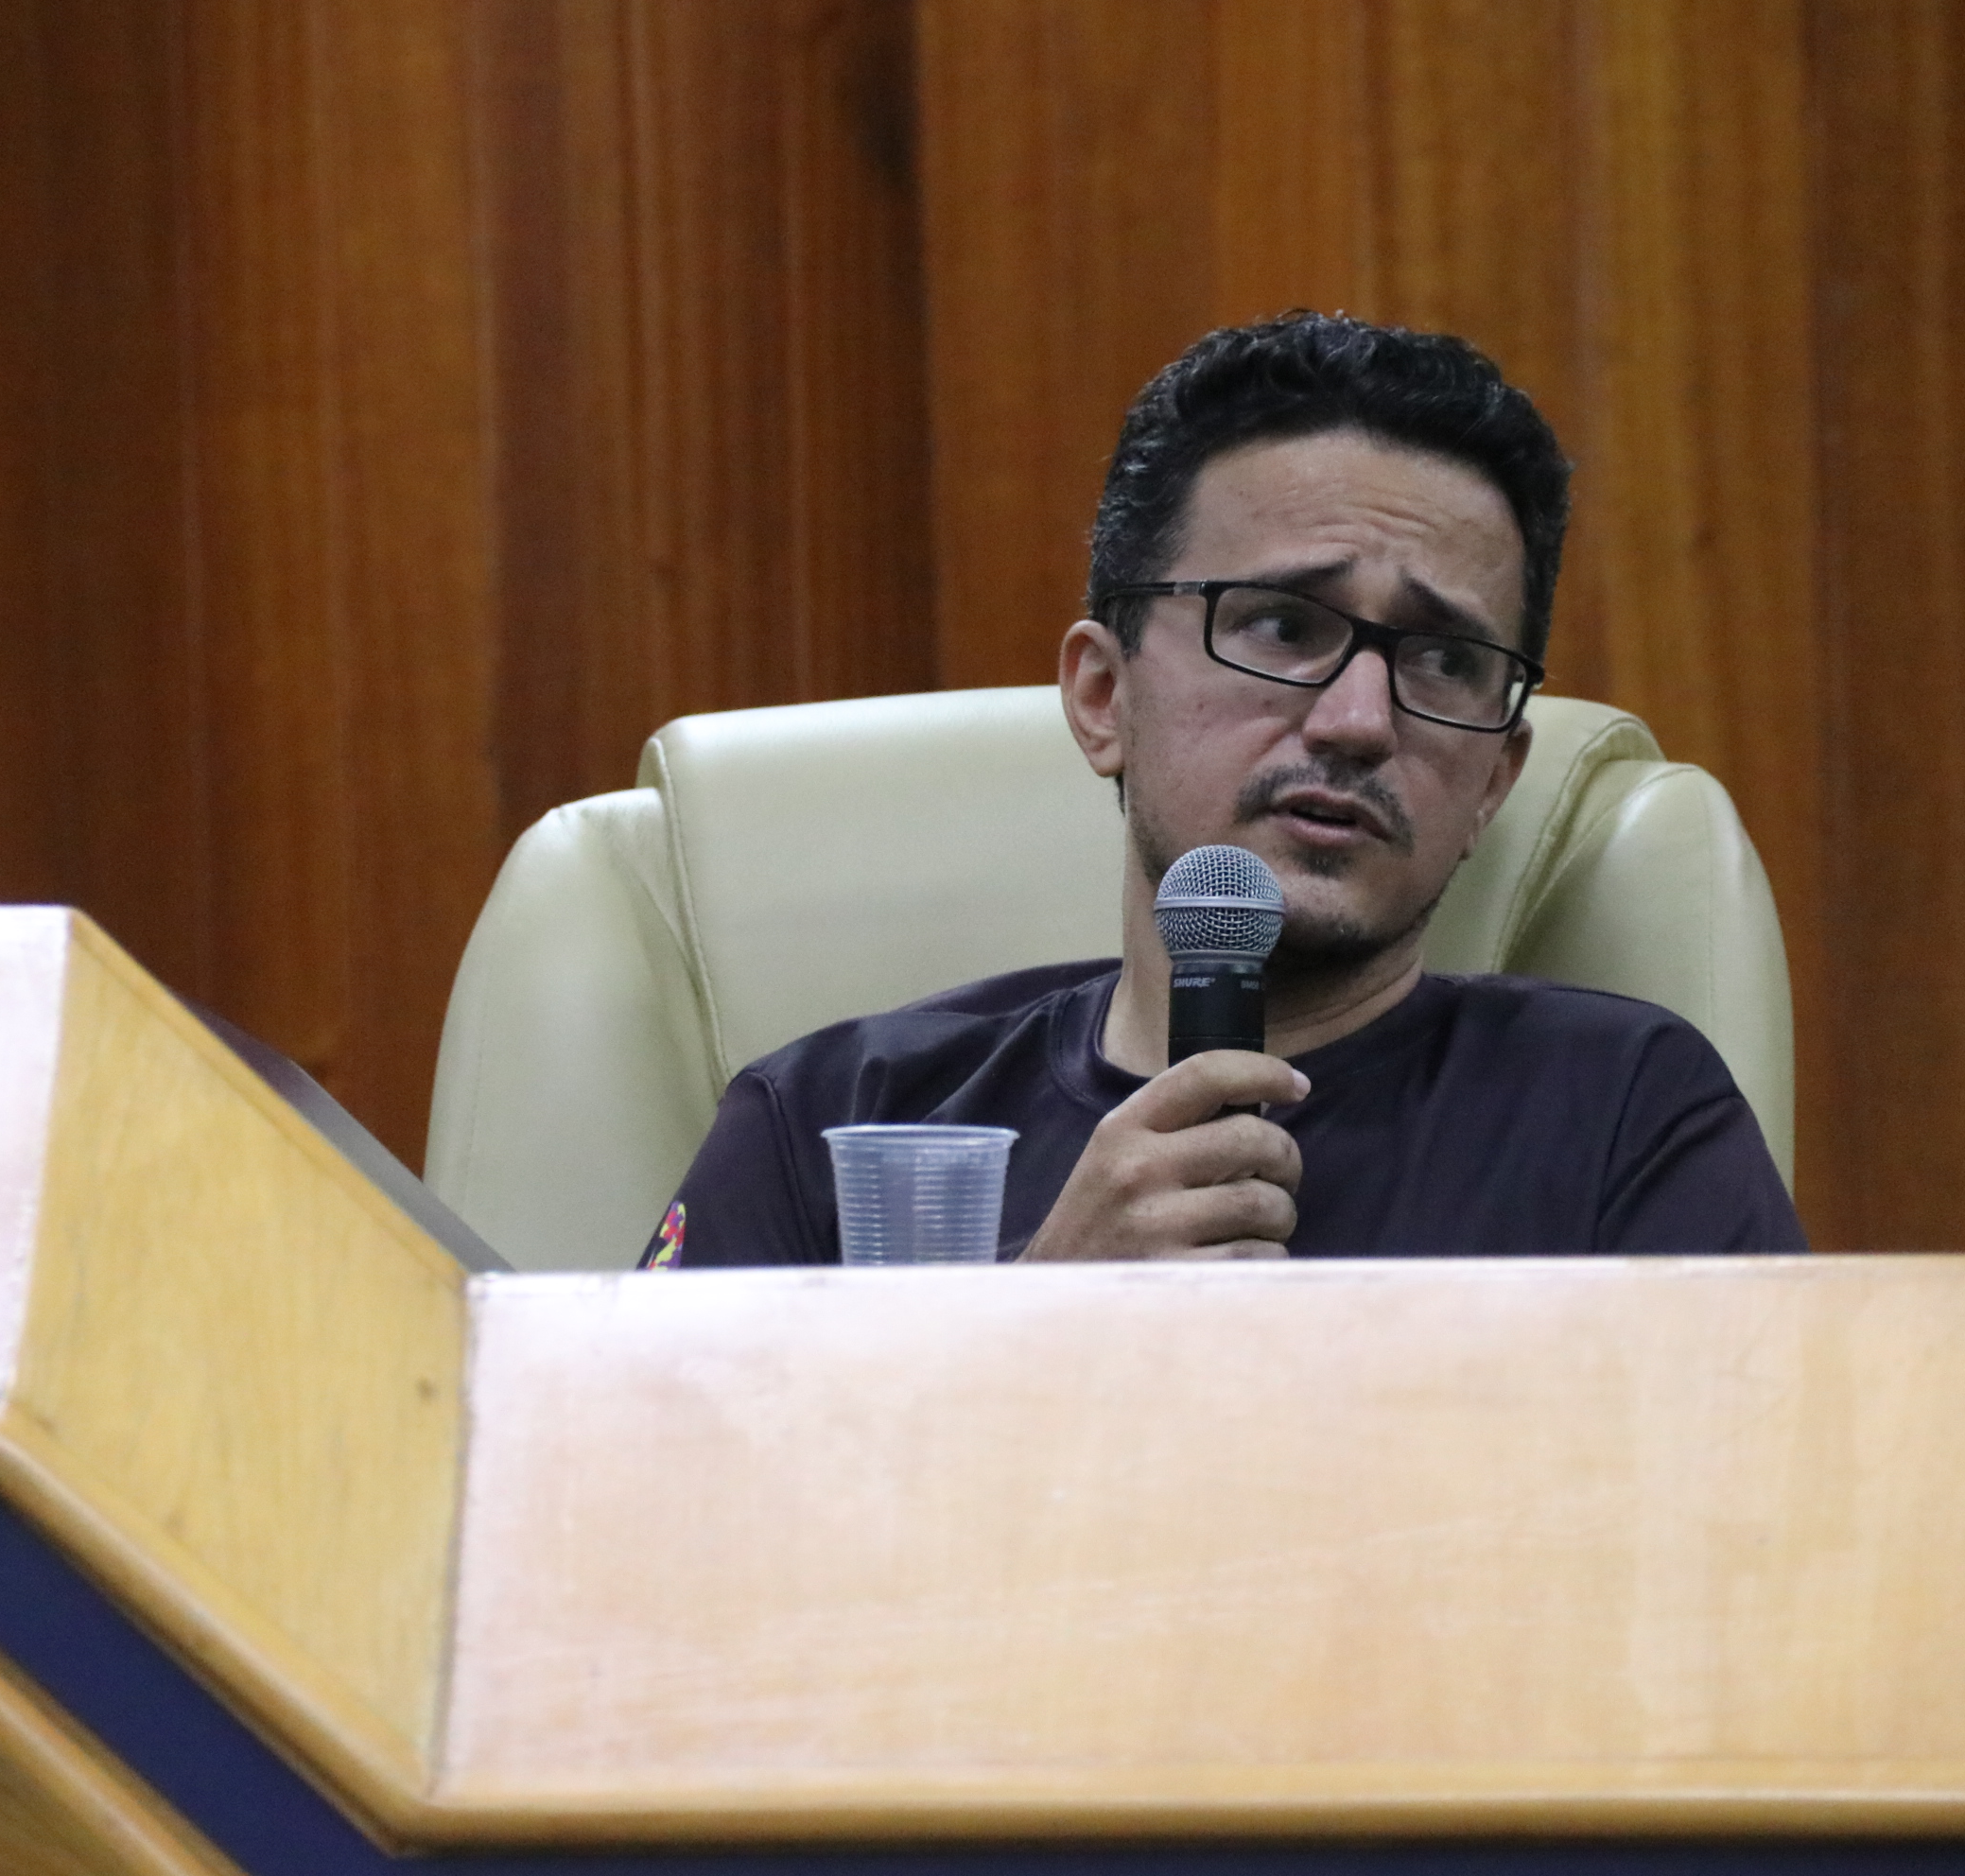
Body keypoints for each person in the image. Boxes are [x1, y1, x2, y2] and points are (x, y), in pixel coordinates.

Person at [643, 312, 1804, 1267]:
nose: (1358, 721)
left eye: (1444, 660)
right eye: (1284, 627)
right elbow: (639, 1482)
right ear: (1105, 697)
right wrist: (1034, 1327)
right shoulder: (830, 1125)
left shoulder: (1622, 1115)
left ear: (1496, 779)